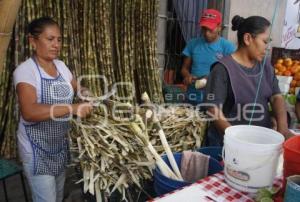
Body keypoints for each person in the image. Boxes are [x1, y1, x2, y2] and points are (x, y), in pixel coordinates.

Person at [13, 17, 92, 202]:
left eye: (59, 39)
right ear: (33, 41)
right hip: (36, 150)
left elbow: (76, 87)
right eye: (50, 39)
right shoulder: (25, 71)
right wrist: (71, 108)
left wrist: (85, 93)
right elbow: (30, 112)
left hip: (58, 147)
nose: (56, 44)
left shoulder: (61, 66)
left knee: (57, 196)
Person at [204, 15, 294, 146]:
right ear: (247, 39)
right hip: (229, 146)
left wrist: (283, 128)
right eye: (265, 41)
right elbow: (213, 110)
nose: (268, 47)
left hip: (261, 143)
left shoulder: (266, 66)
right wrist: (236, 140)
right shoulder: (222, 69)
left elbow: (276, 97)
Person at [181, 9, 236, 105]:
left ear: (219, 27)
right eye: (204, 29)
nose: (206, 33)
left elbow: (232, 73)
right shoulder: (193, 44)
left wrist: (211, 79)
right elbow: (184, 69)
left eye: (210, 29)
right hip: (193, 94)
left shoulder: (228, 47)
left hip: (215, 97)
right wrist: (187, 76)